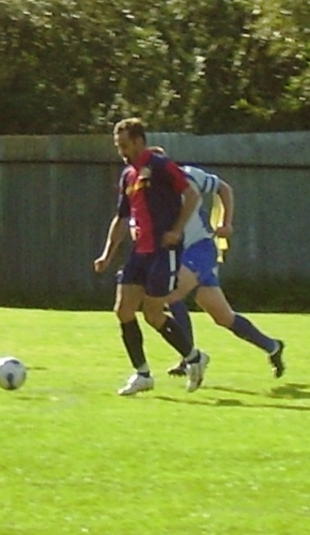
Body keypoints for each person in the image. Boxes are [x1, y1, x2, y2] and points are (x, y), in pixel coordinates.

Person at [94, 118, 210, 395]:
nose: (120, 150)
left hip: (163, 251)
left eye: (124, 145)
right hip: (139, 253)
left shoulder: (160, 165)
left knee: (153, 313)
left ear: (138, 141)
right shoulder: (128, 176)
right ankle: (143, 374)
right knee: (122, 310)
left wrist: (176, 230)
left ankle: (194, 357)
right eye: (117, 145)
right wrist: (107, 254)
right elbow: (122, 218)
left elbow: (192, 195)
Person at [148, 147, 286, 379]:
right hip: (181, 255)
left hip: (201, 249)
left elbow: (224, 188)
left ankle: (189, 358)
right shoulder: (148, 192)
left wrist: (226, 222)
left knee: (171, 295)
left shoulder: (189, 175)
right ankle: (272, 346)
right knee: (224, 317)